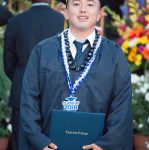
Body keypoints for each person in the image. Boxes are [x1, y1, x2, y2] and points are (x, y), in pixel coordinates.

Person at [20, 0, 133, 149]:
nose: (83, 9)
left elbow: (122, 105)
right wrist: (40, 142)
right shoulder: (43, 51)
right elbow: (29, 99)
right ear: (65, 12)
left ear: (99, 14)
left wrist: (105, 145)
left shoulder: (114, 55)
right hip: (49, 145)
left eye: (90, 4)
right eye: (76, 4)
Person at [3, 0, 64, 149]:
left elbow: (8, 62)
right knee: (54, 141)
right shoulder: (61, 20)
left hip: (21, 89)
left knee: (20, 142)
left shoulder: (15, 21)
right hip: (54, 92)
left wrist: (21, 78)